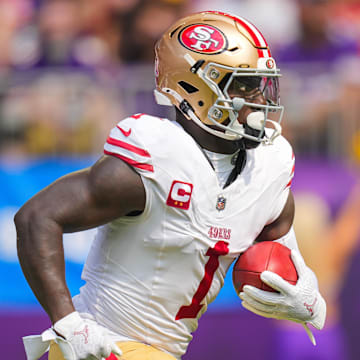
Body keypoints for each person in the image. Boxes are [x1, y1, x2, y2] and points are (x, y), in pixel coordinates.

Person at [15, 11, 326, 360]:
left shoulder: (268, 167)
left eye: (261, 85)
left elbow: (277, 251)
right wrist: (69, 324)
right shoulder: (156, 160)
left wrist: (303, 290)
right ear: (196, 89)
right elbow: (35, 217)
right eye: (244, 85)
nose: (260, 100)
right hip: (103, 344)